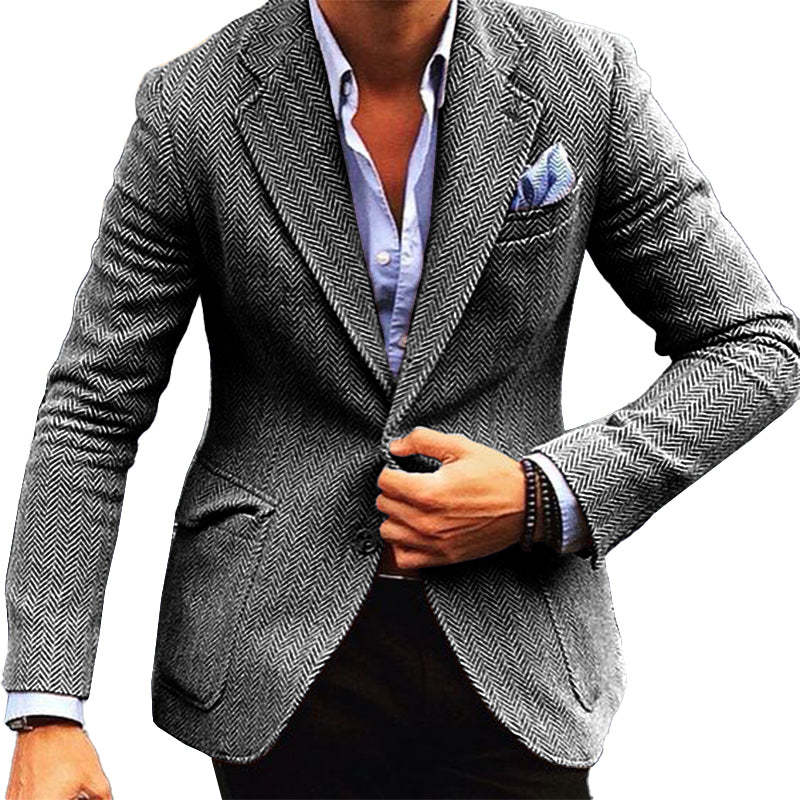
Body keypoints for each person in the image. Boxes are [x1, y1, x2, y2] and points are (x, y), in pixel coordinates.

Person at [4, 0, 800, 797]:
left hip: (519, 650)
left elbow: (755, 343)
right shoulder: (193, 108)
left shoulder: (586, 82)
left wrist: (542, 494)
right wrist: (48, 712)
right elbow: (93, 408)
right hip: (272, 661)